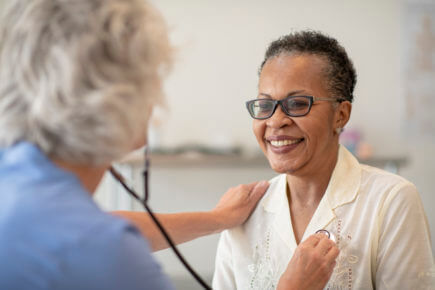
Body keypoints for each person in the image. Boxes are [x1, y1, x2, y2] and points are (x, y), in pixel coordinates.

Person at [0, 1, 339, 289]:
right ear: (118, 101)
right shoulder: (104, 252)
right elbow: (97, 240)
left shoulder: (15, 183)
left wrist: (215, 218)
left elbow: (96, 227)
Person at [213, 30, 435, 289]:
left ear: (340, 115)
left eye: (297, 104)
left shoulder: (391, 200)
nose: (275, 121)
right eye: (265, 105)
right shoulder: (242, 214)